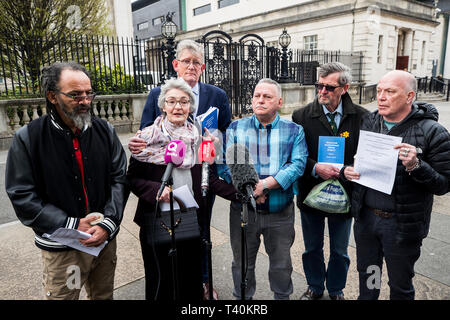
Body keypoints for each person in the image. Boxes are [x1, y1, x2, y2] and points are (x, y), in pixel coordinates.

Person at [5, 61, 129, 300]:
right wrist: (71, 224)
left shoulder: (105, 130)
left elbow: (119, 179)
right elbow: (21, 194)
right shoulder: (28, 138)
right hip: (65, 251)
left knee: (103, 296)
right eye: (75, 95)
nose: (84, 100)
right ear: (52, 96)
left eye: (88, 93)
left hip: (103, 243)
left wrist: (109, 222)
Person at [129, 39, 231, 299]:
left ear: (190, 108)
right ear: (162, 106)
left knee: (189, 274)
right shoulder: (147, 138)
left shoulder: (199, 136)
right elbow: (132, 178)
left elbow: (210, 173)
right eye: (172, 102)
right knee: (161, 275)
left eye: (184, 102)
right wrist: (157, 190)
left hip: (191, 213)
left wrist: (241, 193)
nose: (178, 107)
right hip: (157, 214)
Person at [343, 70, 450, 300]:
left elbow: (443, 185)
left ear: (410, 96)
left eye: (390, 92)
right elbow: (355, 159)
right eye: (380, 90)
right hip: (367, 220)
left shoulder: (433, 132)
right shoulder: (370, 121)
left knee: (400, 285)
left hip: (401, 225)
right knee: (370, 276)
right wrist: (349, 171)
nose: (381, 96)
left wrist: (416, 165)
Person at [225, 78, 308, 300]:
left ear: (279, 101)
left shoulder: (294, 131)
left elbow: (298, 164)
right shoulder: (235, 128)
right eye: (257, 96)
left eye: (267, 96)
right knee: (242, 264)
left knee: (281, 266)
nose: (260, 100)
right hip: (243, 213)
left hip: (280, 213)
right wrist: (251, 190)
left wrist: (266, 185)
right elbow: (226, 167)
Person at [292, 62, 368, 300]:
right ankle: (315, 286)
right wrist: (315, 167)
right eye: (319, 86)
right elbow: (294, 157)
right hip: (311, 192)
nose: (322, 91)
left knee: (339, 250)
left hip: (345, 195)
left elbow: (366, 157)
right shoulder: (301, 116)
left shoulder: (362, 117)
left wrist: (350, 170)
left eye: (329, 87)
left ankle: (336, 289)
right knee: (312, 247)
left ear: (344, 88)